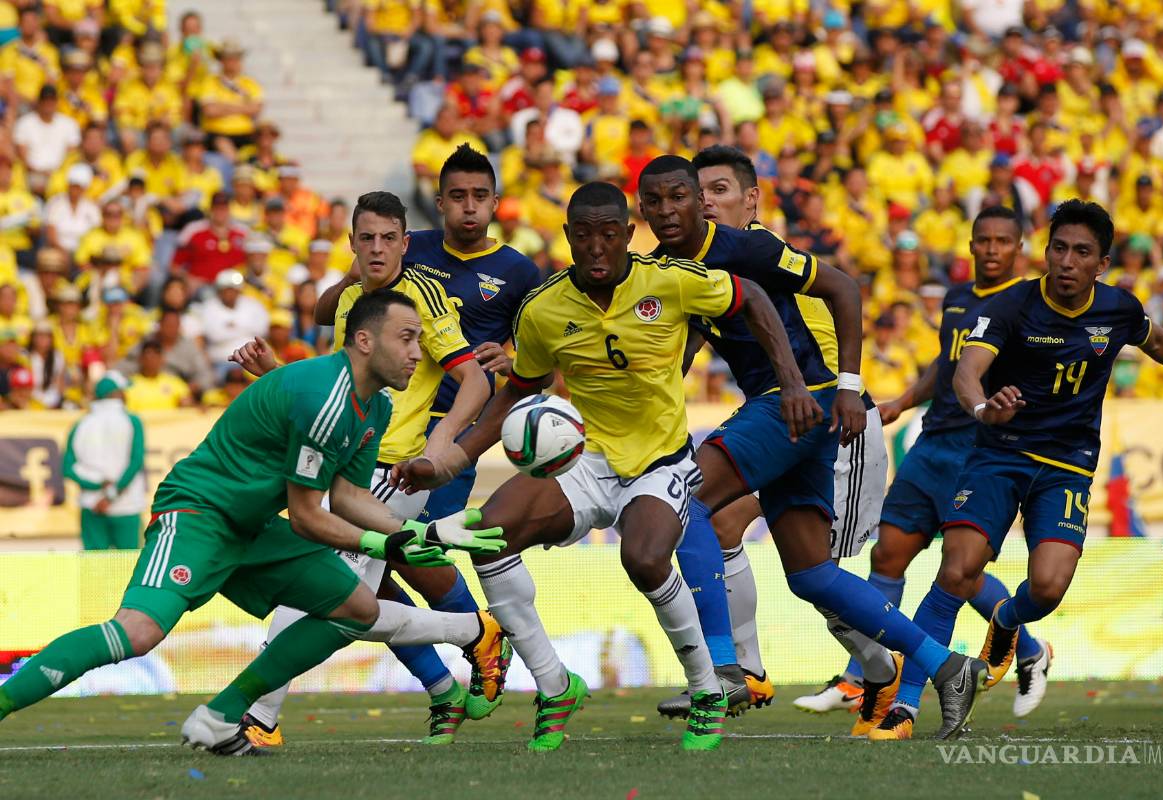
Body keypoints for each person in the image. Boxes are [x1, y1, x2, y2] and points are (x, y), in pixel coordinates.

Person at [0, 290, 509, 760]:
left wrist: (424, 535)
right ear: (364, 339)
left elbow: (349, 497)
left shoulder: (373, 405)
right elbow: (310, 518)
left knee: (357, 608)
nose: (418, 353)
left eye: (419, 339)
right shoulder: (326, 397)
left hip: (252, 527)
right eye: (407, 338)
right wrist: (387, 541)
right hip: (198, 513)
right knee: (136, 633)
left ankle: (222, 717)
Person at [396, 180, 810, 752]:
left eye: (609, 235)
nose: (596, 248)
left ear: (627, 234)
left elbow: (755, 300)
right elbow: (512, 393)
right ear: (568, 237)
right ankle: (554, 683)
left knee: (642, 555)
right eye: (584, 236)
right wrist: (446, 463)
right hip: (585, 460)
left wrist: (791, 383)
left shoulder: (670, 281)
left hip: (659, 463)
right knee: (491, 534)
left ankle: (706, 689)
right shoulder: (543, 309)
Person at [638, 155, 987, 741]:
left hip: (805, 400)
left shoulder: (747, 248)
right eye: (669, 197)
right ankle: (947, 666)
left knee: (684, 499)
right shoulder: (666, 270)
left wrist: (849, 387)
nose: (684, 206)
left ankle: (727, 668)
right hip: (789, 409)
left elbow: (843, 287)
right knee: (811, 575)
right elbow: (689, 332)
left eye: (696, 193)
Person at [889, 200, 1163, 739]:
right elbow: (967, 370)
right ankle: (906, 707)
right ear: (1046, 251)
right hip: (999, 453)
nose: (1067, 262)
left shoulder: (1118, 309)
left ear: (1101, 264)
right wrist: (984, 408)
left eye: (1082, 252)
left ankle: (1007, 622)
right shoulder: (1012, 305)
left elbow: (1158, 341)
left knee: (1049, 588)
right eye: (1059, 248)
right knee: (957, 569)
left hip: (1067, 466)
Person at [230, 191, 493, 747]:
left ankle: (259, 717)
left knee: (314, 590)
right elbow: (342, 383)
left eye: (387, 238)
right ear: (351, 245)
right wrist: (274, 373)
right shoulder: (351, 300)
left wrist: (441, 445)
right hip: (348, 465)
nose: (376, 248)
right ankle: (462, 658)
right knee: (362, 603)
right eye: (365, 238)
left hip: (393, 473)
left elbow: (474, 378)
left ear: (405, 241)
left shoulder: (424, 296)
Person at [312, 146, 541, 745]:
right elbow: (325, 312)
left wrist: (510, 357)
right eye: (457, 197)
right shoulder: (402, 253)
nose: (468, 208)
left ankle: (475, 645)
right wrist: (355, 275)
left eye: (479, 196)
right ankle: (461, 662)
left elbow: (543, 348)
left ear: (495, 202)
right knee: (382, 569)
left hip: (444, 438)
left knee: (398, 558)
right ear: (437, 206)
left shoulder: (517, 271)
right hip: (369, 441)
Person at [812, 208, 1053, 740]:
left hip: (980, 446)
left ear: (1019, 248)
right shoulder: (957, 299)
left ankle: (1022, 652)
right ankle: (868, 677)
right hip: (932, 442)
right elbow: (946, 365)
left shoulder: (1031, 306)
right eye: (982, 241)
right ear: (969, 245)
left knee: (956, 571)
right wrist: (903, 400)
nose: (991, 250)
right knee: (888, 553)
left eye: (1002, 242)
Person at [679, 146, 891, 729]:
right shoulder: (698, 269)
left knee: (820, 580)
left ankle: (886, 669)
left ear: (752, 199)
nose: (706, 203)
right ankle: (746, 669)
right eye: (697, 194)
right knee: (718, 522)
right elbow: (683, 347)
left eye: (719, 190)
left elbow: (845, 292)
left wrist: (849, 387)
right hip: (779, 421)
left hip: (837, 424)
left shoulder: (764, 254)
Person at [62, 372, 146, 550]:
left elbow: (68, 468)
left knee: (94, 570)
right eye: (123, 391)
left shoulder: (81, 424)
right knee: (130, 568)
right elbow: (136, 462)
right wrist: (111, 494)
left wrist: (99, 486)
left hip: (91, 505)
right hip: (126, 505)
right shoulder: (132, 421)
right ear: (116, 394)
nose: (126, 395)